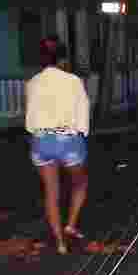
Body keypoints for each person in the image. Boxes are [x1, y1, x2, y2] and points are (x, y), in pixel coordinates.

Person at [25, 35, 91, 255]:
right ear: (62, 60)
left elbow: (30, 119)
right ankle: (71, 225)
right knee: (79, 183)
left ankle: (60, 243)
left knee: (50, 192)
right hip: (68, 140)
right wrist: (80, 134)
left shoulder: (32, 82)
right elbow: (83, 114)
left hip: (41, 141)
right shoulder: (73, 81)